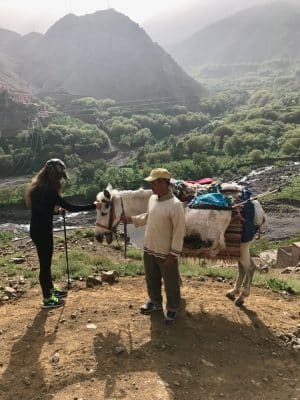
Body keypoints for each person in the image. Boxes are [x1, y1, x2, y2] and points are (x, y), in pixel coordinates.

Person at [25, 159, 97, 309]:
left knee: (46, 264)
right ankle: (47, 299)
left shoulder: (37, 188)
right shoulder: (50, 190)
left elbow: (41, 209)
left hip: (36, 230)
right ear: (54, 175)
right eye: (59, 176)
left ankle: (50, 290)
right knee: (45, 266)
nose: (60, 179)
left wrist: (56, 211)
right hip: (43, 232)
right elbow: (71, 207)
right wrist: (93, 206)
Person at [122, 168, 185, 324]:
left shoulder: (176, 205)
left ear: (165, 183)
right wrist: (131, 219)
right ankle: (155, 302)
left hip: (166, 252)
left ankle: (172, 308)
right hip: (149, 247)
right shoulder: (152, 199)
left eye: (155, 183)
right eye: (151, 183)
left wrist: (173, 254)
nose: (152, 187)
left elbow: (179, 232)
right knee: (152, 279)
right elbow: (148, 217)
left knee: (170, 282)